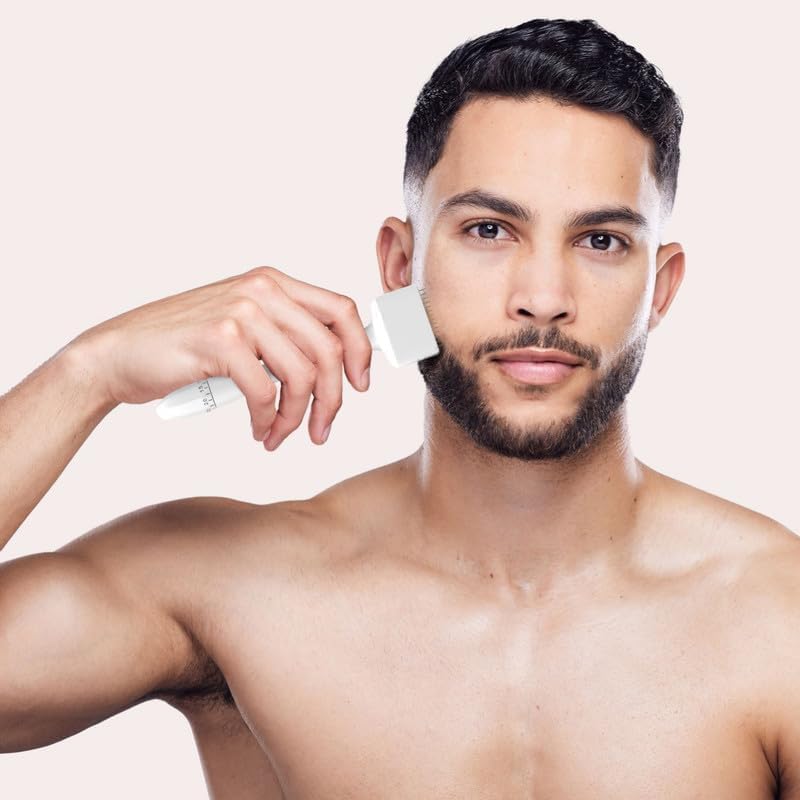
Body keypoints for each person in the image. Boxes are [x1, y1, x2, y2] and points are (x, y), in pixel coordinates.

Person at [1, 16, 796, 799]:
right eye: (489, 229)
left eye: (601, 242)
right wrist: (87, 372)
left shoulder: (777, 618)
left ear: (660, 288)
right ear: (398, 265)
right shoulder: (236, 589)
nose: (543, 297)